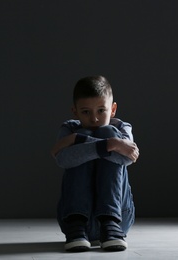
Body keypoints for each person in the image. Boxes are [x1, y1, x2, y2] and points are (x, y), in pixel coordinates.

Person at [51, 75, 139, 252]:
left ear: (113, 109)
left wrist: (77, 140)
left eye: (101, 110)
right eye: (86, 112)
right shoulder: (69, 129)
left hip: (118, 220)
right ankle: (77, 221)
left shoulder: (123, 128)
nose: (94, 119)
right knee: (103, 137)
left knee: (107, 131)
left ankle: (109, 220)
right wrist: (111, 144)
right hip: (75, 223)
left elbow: (126, 158)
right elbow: (63, 160)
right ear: (75, 111)